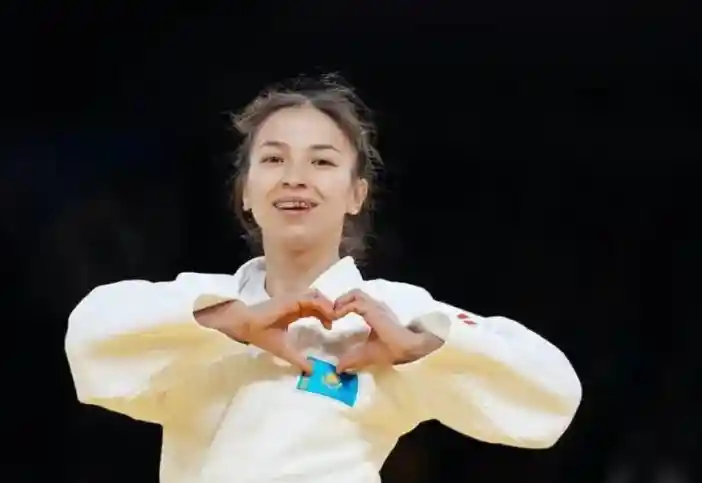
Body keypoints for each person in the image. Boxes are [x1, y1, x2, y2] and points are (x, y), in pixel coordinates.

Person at [65, 75, 582, 483]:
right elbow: (89, 337)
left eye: (322, 161)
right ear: (245, 191)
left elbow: (553, 398)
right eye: (273, 159)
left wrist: (420, 348)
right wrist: (234, 322)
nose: (295, 178)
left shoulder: (390, 316)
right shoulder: (203, 306)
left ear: (356, 195)